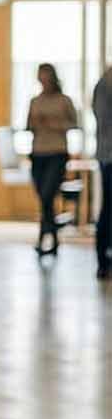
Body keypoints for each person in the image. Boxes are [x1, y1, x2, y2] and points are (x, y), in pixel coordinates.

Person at [26, 62, 78, 258]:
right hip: (38, 153)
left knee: (48, 195)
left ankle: (45, 237)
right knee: (43, 197)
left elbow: (74, 123)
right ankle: (52, 238)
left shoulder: (64, 101)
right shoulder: (35, 102)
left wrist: (54, 124)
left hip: (56, 153)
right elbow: (28, 126)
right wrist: (37, 123)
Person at [93, 65, 112, 279]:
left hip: (107, 155)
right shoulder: (107, 82)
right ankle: (103, 260)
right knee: (108, 209)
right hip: (109, 157)